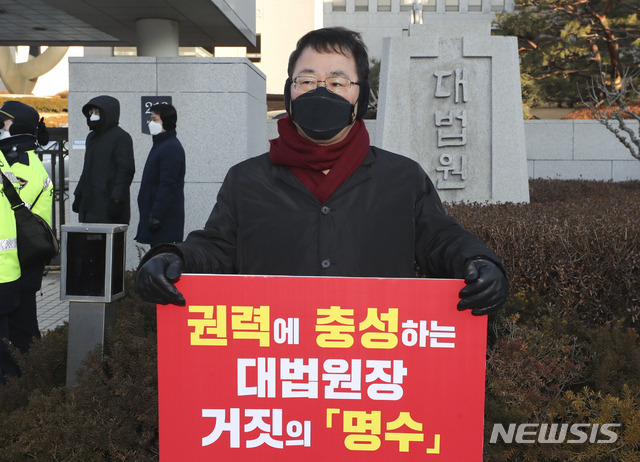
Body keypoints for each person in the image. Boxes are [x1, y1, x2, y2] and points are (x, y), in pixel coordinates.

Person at [135, 27, 508, 315]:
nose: (320, 92)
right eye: (308, 80)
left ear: (360, 96)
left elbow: (438, 240)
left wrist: (479, 263)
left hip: (372, 352)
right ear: (290, 90)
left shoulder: (403, 178)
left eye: (337, 82)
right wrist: (174, 258)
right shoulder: (246, 179)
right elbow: (218, 248)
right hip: (276, 357)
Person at [0, 101, 52, 383]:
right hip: (23, 261)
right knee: (21, 331)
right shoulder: (22, 161)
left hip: (18, 263)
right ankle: (30, 382)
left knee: (19, 335)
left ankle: (25, 386)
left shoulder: (21, 165)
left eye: (2, 124)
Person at [73, 95, 135, 224]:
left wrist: (116, 200)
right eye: (91, 112)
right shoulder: (91, 137)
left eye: (97, 112)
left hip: (108, 205)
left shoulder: (121, 137)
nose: (93, 115)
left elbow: (125, 171)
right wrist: (78, 195)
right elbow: (86, 170)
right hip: (89, 204)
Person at [135, 103, 186, 246]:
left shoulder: (170, 147)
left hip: (164, 222)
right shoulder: (161, 145)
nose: (151, 123)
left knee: (163, 260)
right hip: (157, 219)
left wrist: (156, 215)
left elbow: (167, 185)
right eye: (151, 119)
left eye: (155, 119)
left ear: (166, 121)